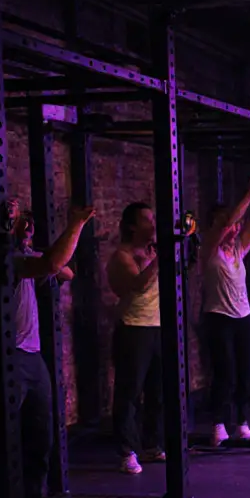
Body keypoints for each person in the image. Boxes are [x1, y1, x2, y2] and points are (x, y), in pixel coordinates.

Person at [0, 199, 92, 498]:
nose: (27, 226)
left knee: (39, 434)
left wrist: (40, 254)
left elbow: (65, 270)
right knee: (5, 439)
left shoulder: (23, 257)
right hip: (0, 357)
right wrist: (76, 223)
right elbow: (54, 263)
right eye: (18, 219)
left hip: (30, 358)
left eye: (26, 220)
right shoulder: (2, 259)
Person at [201, 174, 250, 447]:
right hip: (218, 317)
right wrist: (248, 192)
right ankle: (218, 422)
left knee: (244, 372)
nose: (234, 227)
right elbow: (227, 224)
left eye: (235, 223)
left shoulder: (239, 249)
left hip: (243, 317)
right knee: (224, 371)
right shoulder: (209, 248)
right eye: (226, 223)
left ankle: (241, 420)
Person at [107, 202, 162, 474]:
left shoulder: (153, 251)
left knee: (158, 391)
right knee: (129, 392)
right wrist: (161, 258)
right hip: (133, 328)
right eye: (146, 220)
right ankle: (127, 451)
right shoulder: (122, 255)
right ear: (132, 226)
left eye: (153, 219)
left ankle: (151, 445)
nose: (153, 224)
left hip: (158, 326)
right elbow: (139, 285)